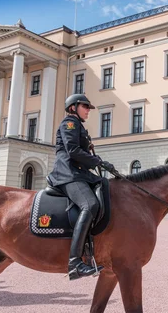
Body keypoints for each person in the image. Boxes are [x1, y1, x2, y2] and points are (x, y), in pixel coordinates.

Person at [47, 94, 120, 280]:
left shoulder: (79, 126)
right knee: (90, 205)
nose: (88, 110)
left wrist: (100, 164)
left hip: (78, 173)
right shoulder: (69, 123)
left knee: (104, 186)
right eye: (85, 106)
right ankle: (75, 262)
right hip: (67, 174)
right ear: (73, 108)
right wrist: (99, 161)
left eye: (88, 107)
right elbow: (73, 151)